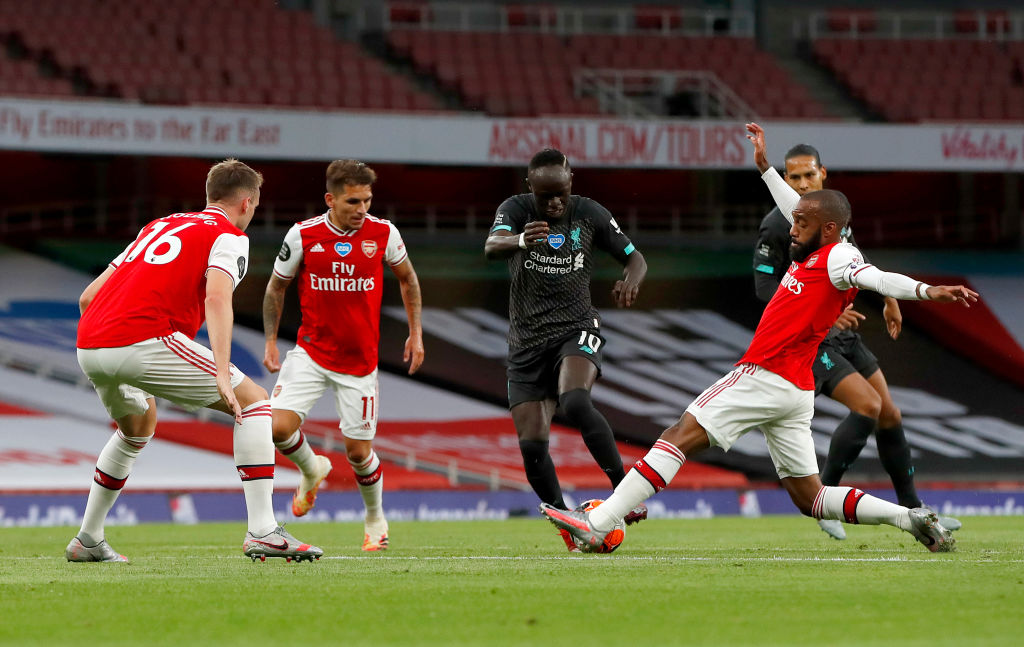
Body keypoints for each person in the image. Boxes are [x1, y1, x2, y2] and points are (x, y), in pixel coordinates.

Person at [542, 124, 978, 553]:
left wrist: (926, 291)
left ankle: (597, 522)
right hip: (795, 390)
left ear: (826, 228)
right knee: (811, 497)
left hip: (765, 374)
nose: (791, 227)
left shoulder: (839, 256)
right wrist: (766, 169)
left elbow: (877, 276)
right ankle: (909, 517)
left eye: (800, 223)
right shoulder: (816, 244)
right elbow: (798, 208)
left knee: (679, 434)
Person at [70, 159, 321, 563]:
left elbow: (88, 298)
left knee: (136, 427)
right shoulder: (230, 236)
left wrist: (110, 348)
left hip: (90, 342)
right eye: (254, 207)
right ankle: (263, 531)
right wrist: (222, 370)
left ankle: (88, 539)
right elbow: (218, 297)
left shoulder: (158, 226)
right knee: (255, 402)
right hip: (142, 337)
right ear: (246, 203)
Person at [753, 142, 961, 540]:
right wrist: (817, 305)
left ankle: (916, 509)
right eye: (792, 177)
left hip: (844, 333)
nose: (801, 183)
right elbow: (764, 287)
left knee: (890, 414)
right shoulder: (781, 222)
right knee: (867, 406)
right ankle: (824, 501)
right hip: (811, 338)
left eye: (807, 175)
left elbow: (857, 263)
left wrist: (888, 300)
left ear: (822, 174)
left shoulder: (831, 216)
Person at [484, 148, 649, 552]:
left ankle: (624, 493)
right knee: (532, 441)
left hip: (577, 327)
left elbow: (635, 257)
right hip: (525, 340)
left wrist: (631, 279)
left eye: (560, 193)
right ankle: (566, 522)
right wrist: (521, 238)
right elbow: (492, 246)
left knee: (574, 400)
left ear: (571, 182)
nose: (554, 203)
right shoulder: (516, 209)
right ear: (530, 189)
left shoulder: (590, 213)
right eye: (545, 196)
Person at [263, 159, 423, 552]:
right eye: (353, 201)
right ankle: (311, 468)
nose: (362, 209)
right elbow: (275, 288)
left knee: (357, 453)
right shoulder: (303, 235)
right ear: (330, 199)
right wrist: (270, 340)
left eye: (367, 200)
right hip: (311, 353)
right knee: (275, 428)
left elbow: (408, 279)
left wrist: (415, 333)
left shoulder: (383, 233)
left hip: (359, 363)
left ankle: (374, 519)